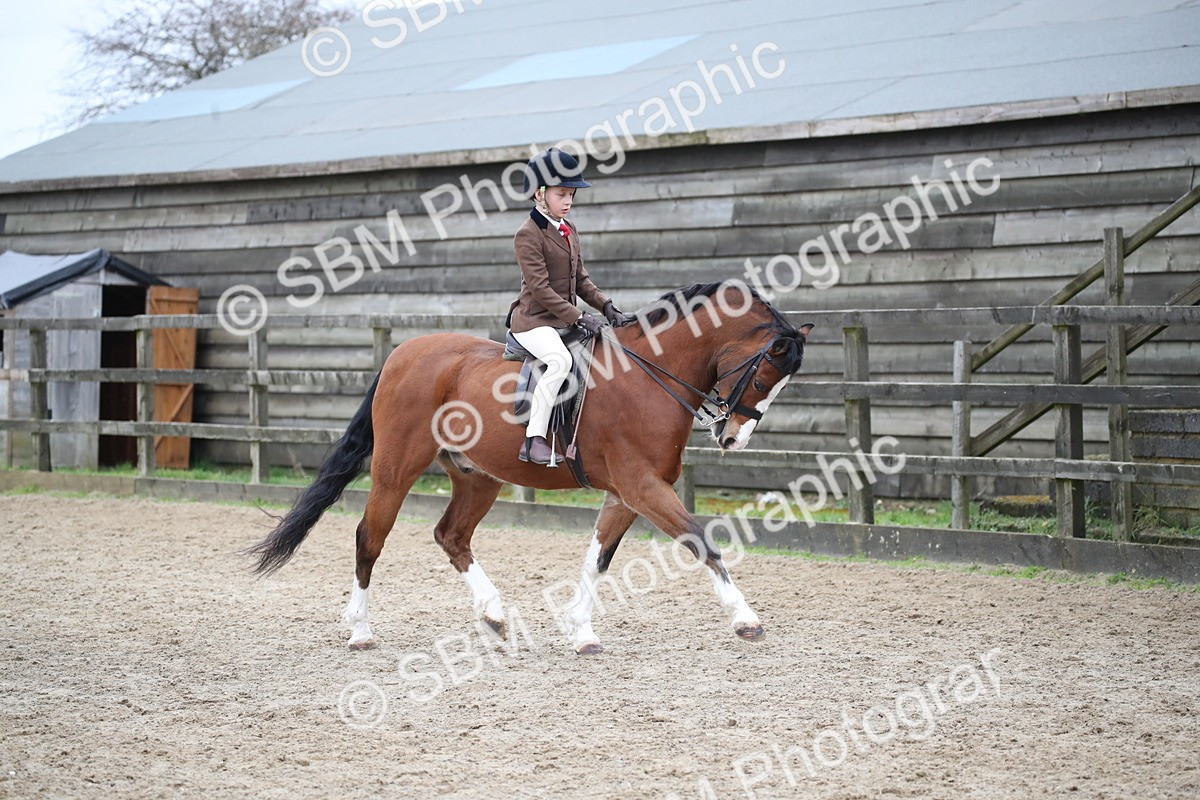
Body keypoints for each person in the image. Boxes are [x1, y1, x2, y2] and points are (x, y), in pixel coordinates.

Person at [506, 148, 633, 465]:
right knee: (560, 361)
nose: (568, 201)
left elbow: (580, 280)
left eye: (571, 194)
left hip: (563, 321)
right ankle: (534, 438)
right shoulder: (527, 233)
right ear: (540, 193)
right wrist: (579, 317)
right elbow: (541, 289)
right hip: (533, 322)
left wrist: (607, 307)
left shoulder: (569, 229)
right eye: (562, 194)